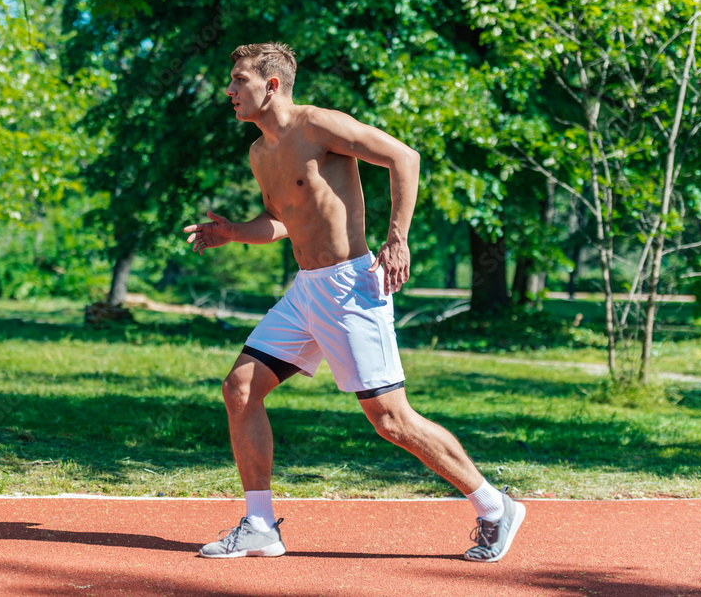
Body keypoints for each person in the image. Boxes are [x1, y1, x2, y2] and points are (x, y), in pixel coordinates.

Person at [182, 42, 525, 562]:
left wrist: (398, 238)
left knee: (390, 420)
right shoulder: (259, 153)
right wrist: (232, 232)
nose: (228, 91)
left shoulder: (318, 125)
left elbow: (403, 157)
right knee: (240, 388)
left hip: (352, 288)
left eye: (238, 80)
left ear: (271, 86)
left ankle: (495, 506)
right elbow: (280, 221)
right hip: (307, 291)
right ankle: (259, 525)